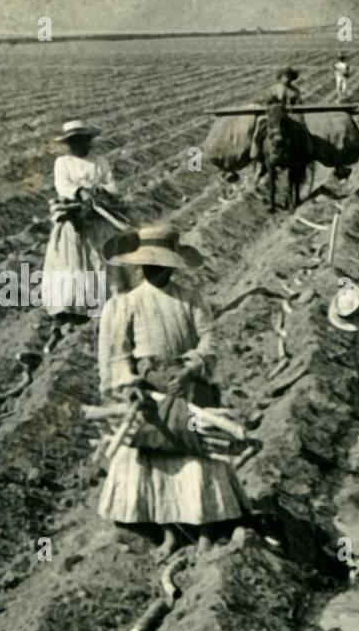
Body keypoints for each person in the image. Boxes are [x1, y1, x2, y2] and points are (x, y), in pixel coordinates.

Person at [97, 223, 250, 552]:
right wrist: (130, 384)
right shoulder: (125, 304)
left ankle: (207, 530)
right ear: (138, 265)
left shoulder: (190, 298)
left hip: (188, 386)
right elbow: (115, 354)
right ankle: (169, 531)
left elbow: (210, 336)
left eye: (158, 263)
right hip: (150, 389)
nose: (150, 268)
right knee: (157, 453)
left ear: (170, 264)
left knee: (198, 454)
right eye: (146, 263)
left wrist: (193, 366)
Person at [43, 120, 119, 321]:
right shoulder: (63, 163)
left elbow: (112, 185)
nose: (78, 144)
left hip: (98, 217)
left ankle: (102, 302)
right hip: (74, 218)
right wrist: (80, 191)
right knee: (72, 262)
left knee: (100, 259)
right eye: (73, 141)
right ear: (68, 143)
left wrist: (101, 190)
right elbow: (63, 186)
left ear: (89, 140)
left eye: (82, 140)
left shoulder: (100, 161)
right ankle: (71, 305)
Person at [251, 68, 302, 169]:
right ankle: (255, 150)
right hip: (273, 115)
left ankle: (303, 150)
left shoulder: (295, 91)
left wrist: (295, 108)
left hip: (290, 115)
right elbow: (265, 102)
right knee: (259, 124)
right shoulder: (273, 89)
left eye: (289, 77)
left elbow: (299, 104)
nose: (287, 79)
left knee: (302, 128)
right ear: (280, 78)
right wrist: (272, 101)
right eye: (285, 77)